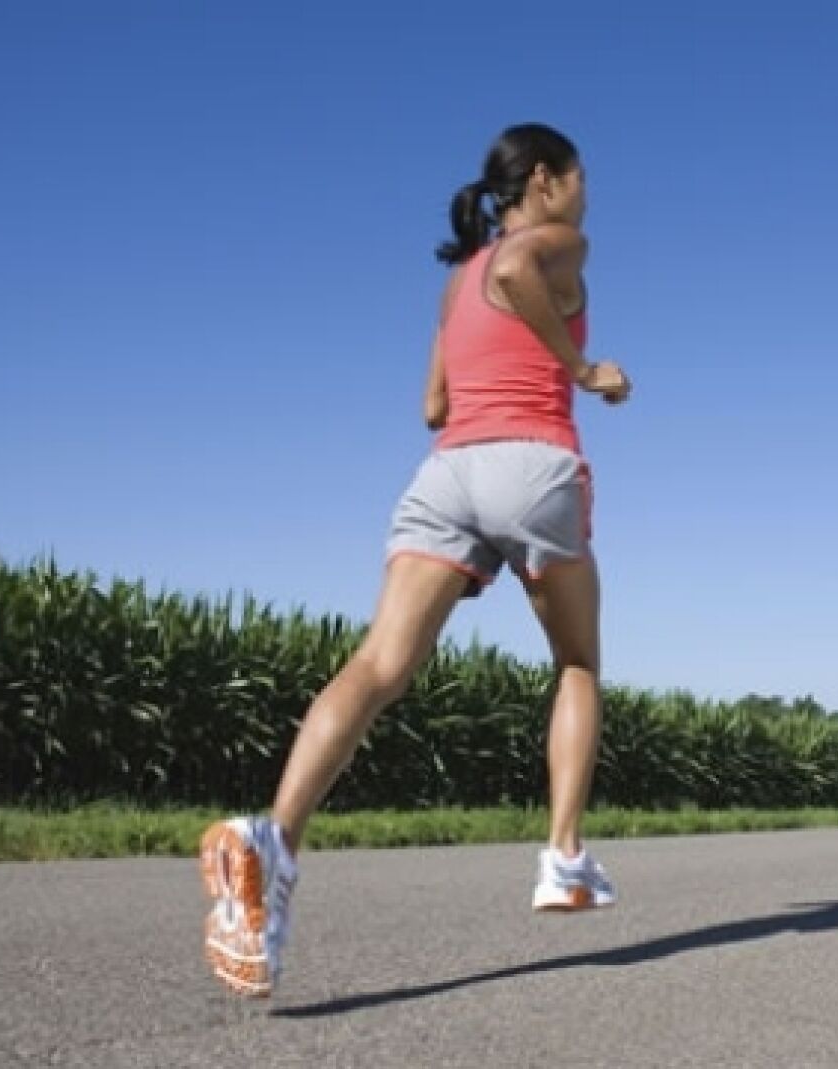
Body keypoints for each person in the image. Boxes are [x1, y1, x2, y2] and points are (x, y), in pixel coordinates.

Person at [198, 122, 632, 999]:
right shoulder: (553, 243)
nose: (587, 196)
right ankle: (563, 856)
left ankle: (276, 838)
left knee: (377, 665)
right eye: (580, 178)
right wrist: (583, 369)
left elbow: (434, 404)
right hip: (531, 460)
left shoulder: (455, 279)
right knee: (578, 661)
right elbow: (520, 269)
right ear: (542, 180)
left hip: (447, 474)